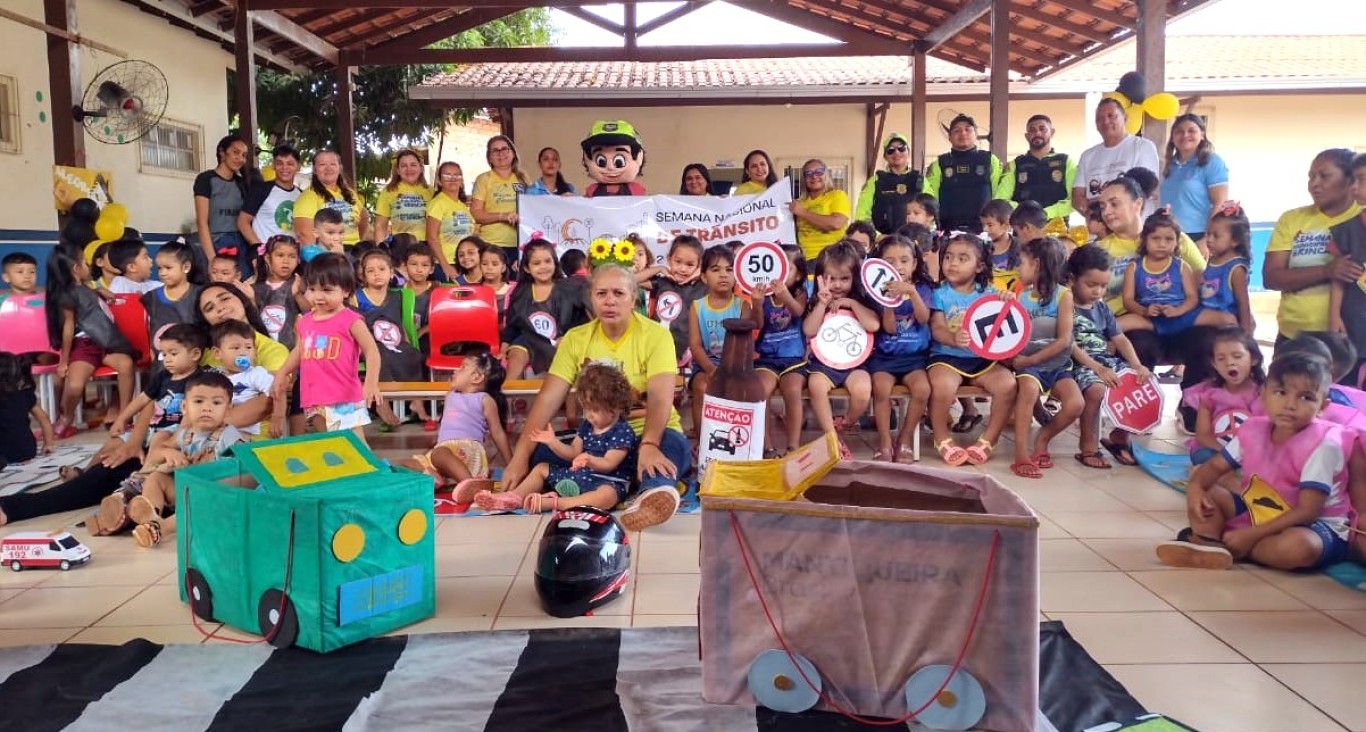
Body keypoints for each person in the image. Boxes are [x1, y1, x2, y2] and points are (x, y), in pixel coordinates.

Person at [499, 264, 692, 533]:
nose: (609, 301)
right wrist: (520, 456)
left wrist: (649, 444)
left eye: (618, 293)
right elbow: (547, 400)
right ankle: (616, 483)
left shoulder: (656, 335)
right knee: (540, 452)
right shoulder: (576, 339)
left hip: (649, 434)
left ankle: (652, 496)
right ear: (591, 297)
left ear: (634, 297)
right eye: (601, 293)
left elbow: (661, 399)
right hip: (598, 444)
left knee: (669, 453)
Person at [1156, 352, 1359, 571]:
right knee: (1206, 489)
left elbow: (1307, 511)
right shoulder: (1253, 429)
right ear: (1262, 395)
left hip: (1313, 526)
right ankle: (1213, 542)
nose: (1290, 404)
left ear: (1322, 406)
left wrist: (1252, 535)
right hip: (1259, 510)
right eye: (1281, 392)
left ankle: (1217, 544)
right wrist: (1196, 487)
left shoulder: (1323, 444)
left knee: (1299, 548)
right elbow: (1214, 467)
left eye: (1306, 397)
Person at [100, 371, 244, 547]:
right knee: (156, 478)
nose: (207, 408)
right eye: (198, 401)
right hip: (185, 490)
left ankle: (160, 528)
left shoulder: (229, 436)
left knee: (203, 499)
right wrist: (168, 453)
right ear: (184, 407)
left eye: (216, 403)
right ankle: (150, 515)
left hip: (212, 497)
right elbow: (157, 454)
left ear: (228, 409)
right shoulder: (185, 434)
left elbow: (243, 469)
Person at [478, 363, 637, 514]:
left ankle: (555, 503)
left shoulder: (622, 431)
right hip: (580, 477)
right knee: (541, 467)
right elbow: (573, 452)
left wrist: (589, 459)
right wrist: (553, 443)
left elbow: (609, 464)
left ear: (616, 407)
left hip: (606, 481)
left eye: (595, 409)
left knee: (606, 496)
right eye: (586, 408)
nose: (588, 415)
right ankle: (513, 498)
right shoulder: (587, 426)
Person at [271, 253, 390, 444]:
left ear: (345, 291)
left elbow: (371, 350)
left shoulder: (350, 319)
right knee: (330, 441)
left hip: (343, 395)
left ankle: (374, 472)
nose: (318, 296)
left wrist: (371, 383)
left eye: (327, 290)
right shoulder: (305, 321)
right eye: (312, 289)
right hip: (313, 395)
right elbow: (300, 350)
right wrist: (282, 373)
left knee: (355, 443)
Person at [927, 234, 1017, 466]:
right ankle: (941, 437)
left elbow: (1006, 323)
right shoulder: (938, 293)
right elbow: (937, 328)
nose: (952, 263)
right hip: (946, 357)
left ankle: (988, 440)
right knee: (943, 385)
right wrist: (953, 338)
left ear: (979, 266)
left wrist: (1007, 300)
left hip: (982, 360)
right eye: (948, 257)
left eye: (962, 258)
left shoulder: (989, 293)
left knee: (1007, 384)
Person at [1265, 149, 1364, 343]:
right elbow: (1271, 277)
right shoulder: (1291, 219)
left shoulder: (1360, 220)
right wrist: (1327, 271)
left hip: (1349, 336)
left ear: (1349, 180)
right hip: (1294, 335)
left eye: (1324, 176)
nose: (1314, 184)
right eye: (1311, 177)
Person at [1067, 245, 1152, 469]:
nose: (1098, 291)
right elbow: (1070, 345)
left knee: (1139, 383)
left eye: (1103, 286)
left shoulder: (1102, 308)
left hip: (1104, 361)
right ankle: (1088, 447)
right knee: (1096, 390)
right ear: (1072, 279)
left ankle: (1120, 437)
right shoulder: (1064, 305)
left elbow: (1120, 339)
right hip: (1076, 363)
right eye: (1091, 285)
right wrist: (1097, 368)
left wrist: (1136, 365)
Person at [44, 247, 136, 439]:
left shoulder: (88, 285)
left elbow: (90, 285)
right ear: (77, 269)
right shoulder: (67, 295)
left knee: (126, 364)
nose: (89, 266)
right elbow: (68, 328)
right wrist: (64, 361)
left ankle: (124, 416)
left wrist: (99, 289)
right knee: (76, 386)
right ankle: (66, 418)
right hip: (84, 346)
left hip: (106, 343)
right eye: (85, 263)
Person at [1009, 237, 1080, 478]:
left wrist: (1030, 360)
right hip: (1029, 366)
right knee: (1028, 391)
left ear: (1037, 264)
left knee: (1075, 404)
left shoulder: (1064, 296)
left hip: (1056, 364)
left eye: (1022, 262)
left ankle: (1043, 439)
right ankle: (1020, 453)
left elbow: (1063, 340)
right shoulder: (1019, 296)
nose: (1019, 267)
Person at [804, 241, 878, 461]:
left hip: (855, 364)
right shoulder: (817, 301)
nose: (837, 285)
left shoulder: (861, 300)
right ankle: (831, 438)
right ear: (820, 278)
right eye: (830, 278)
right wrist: (821, 304)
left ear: (854, 277)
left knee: (863, 389)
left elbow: (873, 326)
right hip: (823, 364)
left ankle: (845, 422)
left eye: (844, 279)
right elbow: (809, 329)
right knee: (816, 385)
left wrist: (852, 305)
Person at [403, 350, 512, 497]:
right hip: (444, 453)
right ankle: (434, 478)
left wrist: (512, 465)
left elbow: (498, 434)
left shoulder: (484, 399)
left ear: (477, 377)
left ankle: (470, 483)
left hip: (466, 452)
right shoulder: (451, 394)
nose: (455, 370)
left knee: (438, 453)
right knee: (405, 464)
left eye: (463, 367)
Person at [868, 232, 933, 463]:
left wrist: (911, 292)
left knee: (922, 390)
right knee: (881, 389)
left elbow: (924, 319)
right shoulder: (877, 291)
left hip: (915, 358)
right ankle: (885, 442)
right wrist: (888, 302)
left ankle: (904, 440)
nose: (898, 267)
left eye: (904, 261)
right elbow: (890, 329)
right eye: (890, 262)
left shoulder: (922, 288)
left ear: (914, 263)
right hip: (885, 358)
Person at [1119, 210, 1232, 336]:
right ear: (1144, 239)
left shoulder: (1182, 266)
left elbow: (1192, 297)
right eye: (1155, 238)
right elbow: (1128, 300)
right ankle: (1103, 355)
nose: (1162, 244)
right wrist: (1144, 311)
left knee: (1227, 320)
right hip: (1149, 319)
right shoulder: (1133, 267)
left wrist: (1178, 311)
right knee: (1114, 327)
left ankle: (1238, 350)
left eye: (1169, 239)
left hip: (1183, 317)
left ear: (1177, 242)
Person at [354, 249, 428, 428]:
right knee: (381, 355)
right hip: (369, 344)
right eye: (370, 271)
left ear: (391, 272)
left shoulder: (398, 295)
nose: (377, 274)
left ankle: (416, 401)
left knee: (415, 356)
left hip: (394, 341)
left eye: (381, 269)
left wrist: (408, 344)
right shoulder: (357, 297)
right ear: (363, 275)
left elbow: (400, 324)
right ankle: (382, 403)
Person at [686, 247, 751, 438]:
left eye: (729, 270)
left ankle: (736, 438)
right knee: (701, 387)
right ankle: (701, 439)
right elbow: (695, 345)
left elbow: (745, 343)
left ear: (737, 275)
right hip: (707, 364)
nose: (723, 275)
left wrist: (730, 371)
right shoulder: (697, 307)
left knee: (736, 388)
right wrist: (712, 371)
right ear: (704, 277)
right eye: (715, 270)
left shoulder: (743, 305)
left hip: (736, 364)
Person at [503, 239, 589, 379]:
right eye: (536, 263)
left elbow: (581, 321)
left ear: (555, 263)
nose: (543, 267)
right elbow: (512, 325)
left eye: (548, 261)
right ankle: (510, 393)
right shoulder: (521, 292)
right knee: (516, 354)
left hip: (561, 341)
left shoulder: (569, 288)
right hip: (529, 339)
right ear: (526, 268)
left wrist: (567, 337)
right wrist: (504, 348)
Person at [753, 244, 808, 457]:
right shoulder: (762, 295)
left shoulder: (800, 292)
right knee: (761, 392)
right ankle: (767, 446)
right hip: (766, 359)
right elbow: (757, 324)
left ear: (798, 274)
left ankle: (793, 446)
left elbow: (797, 311)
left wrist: (784, 295)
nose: (781, 274)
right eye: (777, 268)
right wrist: (757, 304)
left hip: (793, 359)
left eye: (788, 269)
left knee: (793, 391)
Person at [1182, 327, 1264, 466]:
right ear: (1214, 364)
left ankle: (1221, 479)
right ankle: (1231, 482)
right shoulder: (1209, 396)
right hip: (1217, 450)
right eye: (1221, 358)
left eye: (1237, 356)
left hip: (1252, 452)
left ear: (1254, 359)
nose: (1229, 363)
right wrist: (1228, 454)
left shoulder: (1263, 393)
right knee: (1203, 456)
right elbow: (1202, 436)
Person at [1071, 98, 1161, 216]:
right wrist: (1096, 215)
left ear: (1125, 118)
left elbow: (1142, 190)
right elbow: (1077, 198)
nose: (1106, 121)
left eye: (1111, 116)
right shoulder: (1087, 156)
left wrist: (1102, 205)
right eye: (1100, 119)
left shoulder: (1142, 147)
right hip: (1099, 232)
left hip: (1133, 231)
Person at [924, 114, 1003, 234]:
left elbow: (999, 196)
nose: (963, 133)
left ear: (975, 134)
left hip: (984, 230)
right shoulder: (939, 164)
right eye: (957, 130)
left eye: (968, 129)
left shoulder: (990, 160)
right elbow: (931, 199)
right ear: (949, 137)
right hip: (948, 230)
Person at [1159, 114, 1228, 245]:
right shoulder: (1168, 165)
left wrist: (1206, 239)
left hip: (1198, 236)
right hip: (1169, 235)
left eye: (1191, 131)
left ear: (1202, 134)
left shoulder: (1212, 162)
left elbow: (1220, 203)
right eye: (1179, 131)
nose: (1185, 135)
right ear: (1172, 137)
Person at [995, 115, 1076, 221]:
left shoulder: (1065, 161)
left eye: (1042, 129)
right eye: (1032, 130)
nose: (1037, 133)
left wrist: (1046, 213)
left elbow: (1075, 199)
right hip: (1023, 227)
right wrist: (1025, 213)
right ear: (1027, 136)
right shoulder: (1016, 164)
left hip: (1057, 228)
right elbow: (1001, 199)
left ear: (1052, 132)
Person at [639, 234, 705, 363]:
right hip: (655, 344)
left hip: (687, 349)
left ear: (699, 265)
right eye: (678, 262)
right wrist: (660, 268)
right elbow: (631, 279)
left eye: (690, 264)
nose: (683, 268)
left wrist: (699, 272)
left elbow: (725, 276)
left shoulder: (702, 285)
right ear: (669, 259)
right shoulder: (663, 281)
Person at [1328, 152, 1366, 379]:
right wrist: (1334, 316)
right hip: (1354, 321)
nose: (1354, 187)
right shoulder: (1348, 230)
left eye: (1362, 179)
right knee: (1353, 379)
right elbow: (1338, 277)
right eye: (1353, 179)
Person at [194, 135, 254, 277]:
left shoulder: (242, 183)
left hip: (241, 243)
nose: (240, 158)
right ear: (222, 152)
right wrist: (211, 259)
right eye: (235, 152)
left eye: (244, 155)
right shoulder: (206, 179)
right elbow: (202, 222)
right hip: (217, 242)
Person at [209, 319, 276, 439]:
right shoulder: (215, 379)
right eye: (235, 348)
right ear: (217, 353)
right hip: (220, 430)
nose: (243, 353)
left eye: (249, 347)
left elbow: (275, 392)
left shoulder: (256, 374)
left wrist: (278, 418)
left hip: (247, 433)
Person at [238, 144, 302, 262]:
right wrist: (259, 248)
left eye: (290, 163)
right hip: (267, 258)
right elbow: (243, 221)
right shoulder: (261, 189)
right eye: (279, 163)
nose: (284, 168)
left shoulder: (301, 195)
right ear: (273, 165)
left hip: (292, 257)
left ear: (298, 167)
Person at [293, 150, 368, 249]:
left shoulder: (349, 192)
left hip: (354, 252)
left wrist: (358, 244)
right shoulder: (308, 197)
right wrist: (321, 259)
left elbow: (364, 217)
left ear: (340, 168)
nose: (328, 168)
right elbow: (304, 234)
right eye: (322, 164)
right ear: (315, 170)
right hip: (327, 255)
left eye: (333, 164)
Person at [470, 136, 528, 260]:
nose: (500, 153)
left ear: (512, 152)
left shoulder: (523, 178)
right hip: (491, 244)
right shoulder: (483, 179)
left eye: (504, 149)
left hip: (521, 243)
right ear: (489, 157)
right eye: (495, 151)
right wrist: (503, 216)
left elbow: (534, 206)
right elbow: (476, 214)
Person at [1201, 202, 1255, 333]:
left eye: (1216, 236)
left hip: (1227, 328)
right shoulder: (1213, 260)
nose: (1209, 239)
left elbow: (1243, 305)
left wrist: (1246, 336)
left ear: (1235, 240)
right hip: (1207, 321)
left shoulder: (1236, 269)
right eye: (1208, 234)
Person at [856, 133, 923, 235]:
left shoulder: (921, 180)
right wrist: (877, 237)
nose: (896, 152)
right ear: (885, 156)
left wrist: (922, 237)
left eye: (901, 148)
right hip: (884, 242)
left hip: (914, 242)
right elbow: (862, 216)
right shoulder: (874, 181)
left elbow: (931, 212)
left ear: (908, 152)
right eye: (890, 150)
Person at [143, 240, 205, 347]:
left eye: (168, 268)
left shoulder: (201, 294)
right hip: (162, 360)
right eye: (159, 268)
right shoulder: (151, 297)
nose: (162, 273)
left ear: (186, 267)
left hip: (193, 357)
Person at [0, 352, 54, 467]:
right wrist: (48, 444)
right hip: (27, 450)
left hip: (4, 453)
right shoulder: (25, 394)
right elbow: (44, 419)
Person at [791, 159, 851, 261]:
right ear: (804, 179)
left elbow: (836, 223)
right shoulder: (799, 204)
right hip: (804, 259)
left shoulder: (837, 195)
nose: (814, 176)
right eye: (808, 173)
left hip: (832, 258)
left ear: (826, 175)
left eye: (819, 172)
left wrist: (803, 213)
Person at [251, 235, 304, 349]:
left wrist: (298, 295)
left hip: (292, 351)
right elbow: (253, 320)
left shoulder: (301, 285)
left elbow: (310, 312)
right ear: (267, 258)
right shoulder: (255, 289)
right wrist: (251, 299)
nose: (286, 261)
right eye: (280, 255)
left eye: (292, 256)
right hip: (263, 351)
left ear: (298, 260)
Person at [426, 162, 477, 278]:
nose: (453, 179)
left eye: (457, 175)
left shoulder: (462, 205)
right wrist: (445, 265)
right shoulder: (438, 203)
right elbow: (431, 237)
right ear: (439, 181)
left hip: (464, 263)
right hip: (446, 264)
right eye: (447, 176)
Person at [373, 149, 433, 243]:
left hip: (426, 246)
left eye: (413, 165)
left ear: (421, 168)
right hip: (400, 245)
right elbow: (380, 226)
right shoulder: (388, 191)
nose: (409, 169)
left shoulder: (431, 191)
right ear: (398, 170)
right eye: (404, 166)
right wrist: (381, 250)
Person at [981, 199, 1019, 293]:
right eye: (983, 224)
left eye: (990, 225)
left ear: (1006, 225)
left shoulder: (1021, 249)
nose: (985, 229)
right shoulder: (981, 249)